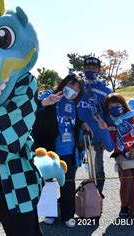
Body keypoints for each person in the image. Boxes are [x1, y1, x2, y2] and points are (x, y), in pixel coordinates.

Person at [32, 73, 85, 227]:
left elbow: (75, 122)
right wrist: (46, 102)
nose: (73, 90)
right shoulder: (50, 95)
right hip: (49, 150)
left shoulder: (75, 104)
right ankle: (49, 213)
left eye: (76, 88)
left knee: (68, 183)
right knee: (48, 182)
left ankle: (68, 215)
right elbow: (32, 106)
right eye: (71, 85)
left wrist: (83, 125)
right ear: (63, 84)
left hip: (68, 151)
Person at [98, 93, 134, 219]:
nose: (114, 108)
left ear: (123, 104)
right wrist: (104, 130)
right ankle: (126, 206)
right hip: (122, 157)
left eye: (117, 104)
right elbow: (109, 147)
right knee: (126, 180)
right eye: (111, 106)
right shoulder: (110, 123)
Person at [77, 57, 112, 195]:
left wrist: (106, 137)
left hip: (97, 136)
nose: (91, 70)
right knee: (72, 167)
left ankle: (97, 198)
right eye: (88, 67)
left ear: (99, 70)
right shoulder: (77, 87)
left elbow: (110, 116)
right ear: (83, 69)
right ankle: (74, 199)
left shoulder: (105, 91)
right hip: (77, 135)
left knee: (97, 168)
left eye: (94, 68)